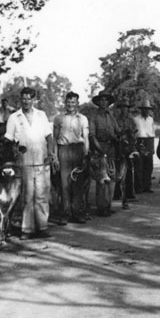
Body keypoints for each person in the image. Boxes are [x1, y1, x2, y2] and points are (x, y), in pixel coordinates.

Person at [5, 87, 58, 239]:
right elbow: (8, 139)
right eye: (23, 98)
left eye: (29, 98)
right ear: (20, 100)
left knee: (42, 195)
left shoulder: (41, 115)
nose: (26, 101)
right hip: (23, 162)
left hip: (42, 160)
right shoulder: (14, 117)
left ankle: (42, 227)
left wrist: (51, 154)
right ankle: (27, 230)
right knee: (27, 197)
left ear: (34, 100)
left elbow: (49, 136)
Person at [53, 92, 90, 224]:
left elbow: (85, 138)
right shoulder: (59, 118)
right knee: (65, 184)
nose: (70, 105)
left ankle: (77, 212)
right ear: (65, 103)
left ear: (77, 103)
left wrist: (86, 155)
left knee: (78, 182)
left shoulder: (83, 118)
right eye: (68, 102)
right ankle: (65, 213)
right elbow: (55, 139)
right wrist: (55, 157)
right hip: (64, 150)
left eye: (73, 102)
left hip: (78, 150)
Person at [89, 90, 121, 217]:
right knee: (101, 178)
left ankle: (108, 204)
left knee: (112, 177)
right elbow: (92, 135)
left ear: (108, 102)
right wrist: (99, 149)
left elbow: (117, 130)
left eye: (106, 100)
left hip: (111, 147)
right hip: (99, 147)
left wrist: (118, 136)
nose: (104, 102)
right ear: (98, 102)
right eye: (101, 100)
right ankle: (101, 207)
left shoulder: (110, 115)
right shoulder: (94, 116)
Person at [113, 97, 137, 205]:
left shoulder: (131, 120)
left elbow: (134, 132)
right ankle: (116, 192)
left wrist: (131, 135)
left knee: (129, 170)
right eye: (122, 107)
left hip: (129, 146)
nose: (124, 109)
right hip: (118, 145)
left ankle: (129, 193)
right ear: (120, 108)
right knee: (117, 169)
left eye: (126, 107)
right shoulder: (115, 119)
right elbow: (114, 132)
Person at [133, 99, 156, 194]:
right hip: (139, 141)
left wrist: (153, 147)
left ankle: (147, 186)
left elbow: (153, 133)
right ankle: (139, 187)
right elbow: (134, 134)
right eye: (144, 109)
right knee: (139, 165)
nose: (146, 111)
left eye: (148, 109)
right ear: (141, 110)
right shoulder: (136, 119)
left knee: (148, 166)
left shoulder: (151, 119)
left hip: (149, 141)